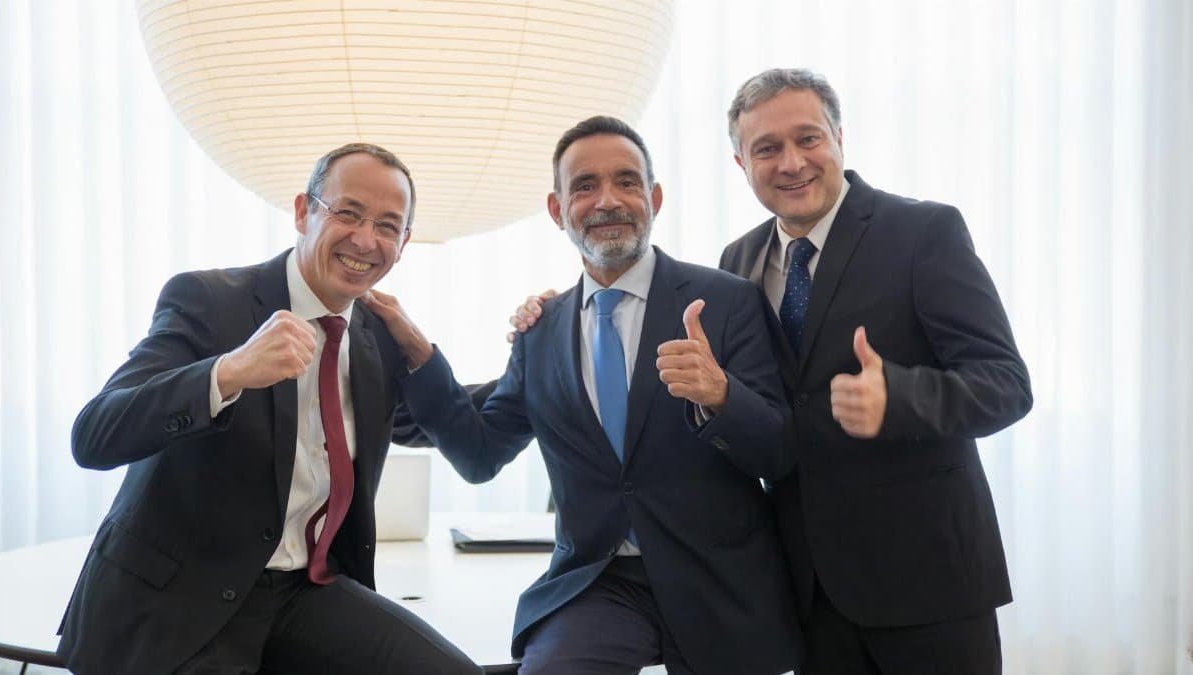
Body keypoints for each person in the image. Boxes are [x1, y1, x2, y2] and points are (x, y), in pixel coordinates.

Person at [512, 70, 1033, 674]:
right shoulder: (740, 261)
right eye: (766, 148)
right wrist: (547, 323)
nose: (791, 163)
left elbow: (1006, 384)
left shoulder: (923, 233)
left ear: (839, 138)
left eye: (807, 139)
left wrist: (902, 398)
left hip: (924, 577)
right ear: (741, 163)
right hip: (807, 587)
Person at [361, 116, 802, 675]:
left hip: (721, 586)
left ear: (654, 197)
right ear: (556, 209)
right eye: (585, 186)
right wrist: (421, 356)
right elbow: (478, 455)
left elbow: (779, 452)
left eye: (626, 181)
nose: (607, 200)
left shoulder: (728, 301)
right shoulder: (541, 330)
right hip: (601, 585)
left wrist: (720, 396)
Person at [58, 143, 483, 675]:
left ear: (404, 243)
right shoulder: (210, 301)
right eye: (347, 213)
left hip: (304, 595)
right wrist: (228, 372)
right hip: (181, 604)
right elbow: (94, 435)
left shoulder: (377, 338)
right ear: (304, 212)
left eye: (387, 225)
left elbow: (460, 436)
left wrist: (532, 358)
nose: (365, 239)